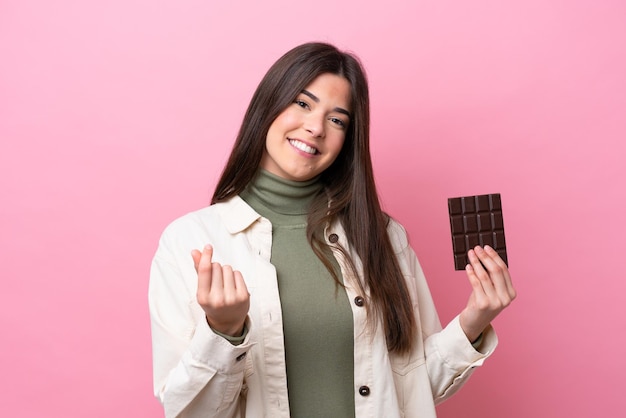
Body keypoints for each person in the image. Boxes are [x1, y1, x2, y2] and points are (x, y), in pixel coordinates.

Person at [149, 42, 516, 418]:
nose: (315, 127)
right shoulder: (190, 241)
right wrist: (224, 331)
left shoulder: (382, 236)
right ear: (268, 106)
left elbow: (412, 390)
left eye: (337, 119)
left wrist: (474, 321)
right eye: (303, 104)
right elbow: (187, 411)